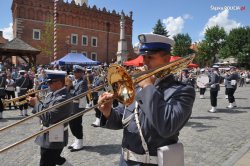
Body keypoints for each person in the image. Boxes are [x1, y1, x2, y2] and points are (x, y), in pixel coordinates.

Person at [98, 34, 196, 165]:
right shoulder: (137, 87)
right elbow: (123, 120)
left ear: (167, 59)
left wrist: (148, 86)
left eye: (150, 57)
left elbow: (167, 126)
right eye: (143, 57)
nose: (144, 62)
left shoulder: (182, 91)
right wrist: (108, 112)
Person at [28, 70, 72, 166]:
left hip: (55, 136)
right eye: (48, 82)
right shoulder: (52, 94)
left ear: (59, 82)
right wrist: (34, 100)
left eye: (50, 82)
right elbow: (43, 108)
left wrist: (36, 103)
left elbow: (49, 117)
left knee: (46, 162)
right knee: (52, 158)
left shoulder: (63, 98)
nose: (48, 84)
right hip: (47, 134)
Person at [68, 65, 88, 152]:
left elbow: (80, 94)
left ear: (81, 73)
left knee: (76, 124)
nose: (74, 74)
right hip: (72, 106)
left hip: (78, 106)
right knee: (72, 124)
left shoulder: (83, 82)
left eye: (76, 72)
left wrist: (69, 90)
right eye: (74, 72)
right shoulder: (75, 81)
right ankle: (76, 140)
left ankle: (80, 142)